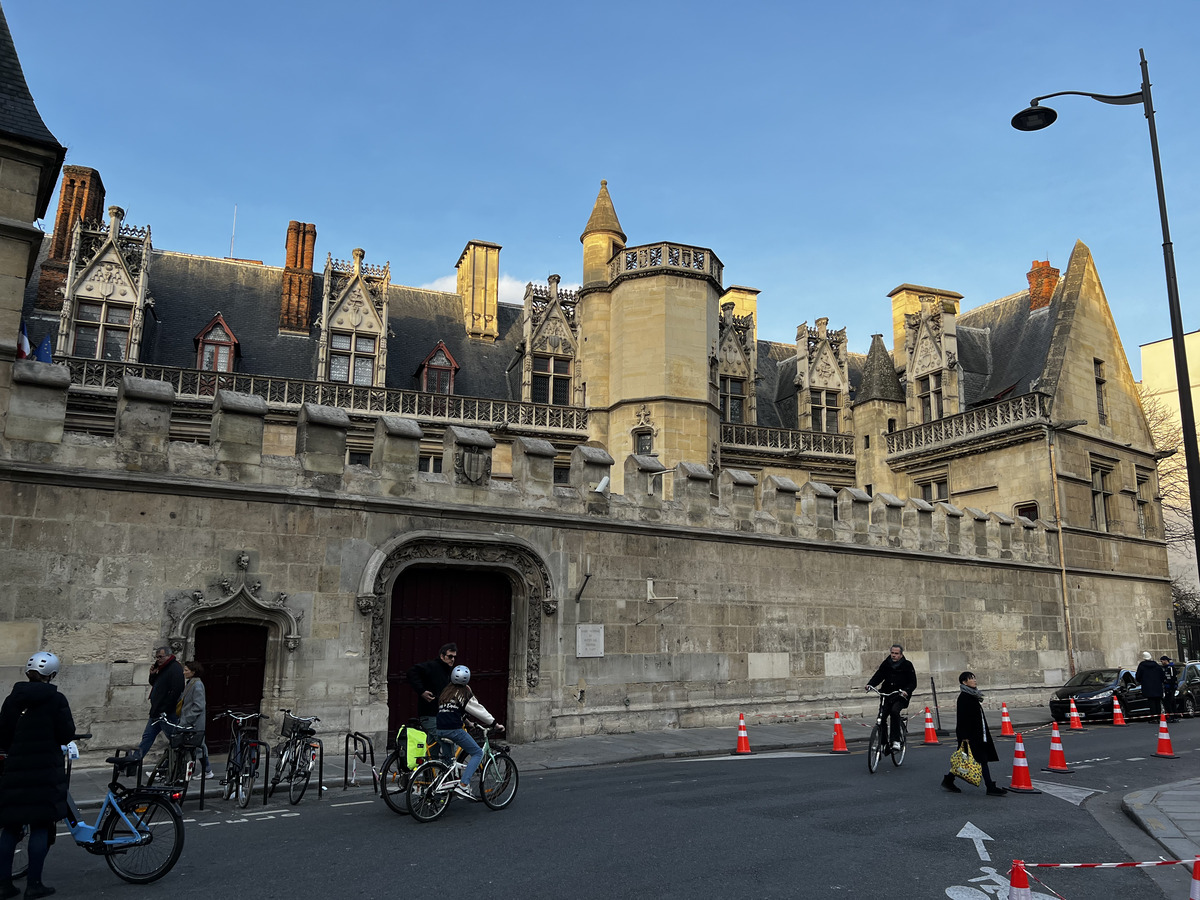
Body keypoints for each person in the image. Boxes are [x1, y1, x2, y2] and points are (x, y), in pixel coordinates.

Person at [0, 651, 76, 900]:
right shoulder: (57, 700)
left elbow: (3, 735)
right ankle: (34, 884)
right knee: (40, 826)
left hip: (15, 771)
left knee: (10, 828)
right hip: (45, 771)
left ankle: (4, 884)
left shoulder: (13, 699)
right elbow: (66, 734)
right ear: (52, 675)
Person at [435, 665, 502, 800]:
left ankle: (441, 793)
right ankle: (464, 784)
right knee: (477, 753)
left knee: (448, 763)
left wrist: (468, 723)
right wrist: (495, 724)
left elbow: (453, 710)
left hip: (440, 730)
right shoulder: (464, 693)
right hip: (454, 730)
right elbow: (479, 710)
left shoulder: (446, 692)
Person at [942, 671, 1006, 796]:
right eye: (971, 679)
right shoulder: (964, 697)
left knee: (970, 759)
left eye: (974, 678)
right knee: (979, 759)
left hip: (977, 733)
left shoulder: (972, 696)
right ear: (964, 682)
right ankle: (990, 787)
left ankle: (949, 780)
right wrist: (964, 737)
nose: (974, 680)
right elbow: (962, 719)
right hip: (970, 736)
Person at [866, 644, 917, 753]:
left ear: (901, 654)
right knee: (881, 717)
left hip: (900, 696)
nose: (893, 655)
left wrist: (906, 691)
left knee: (894, 712)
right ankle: (884, 743)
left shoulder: (907, 665)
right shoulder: (886, 663)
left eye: (896, 654)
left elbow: (913, 682)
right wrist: (870, 685)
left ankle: (896, 741)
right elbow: (879, 675)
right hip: (887, 694)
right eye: (892, 653)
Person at [136, 645, 184, 759]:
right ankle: (134, 761)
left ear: (168, 655)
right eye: (157, 657)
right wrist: (152, 675)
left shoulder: (174, 668)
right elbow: (156, 685)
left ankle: (178, 762)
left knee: (175, 739)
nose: (158, 659)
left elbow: (177, 690)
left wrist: (165, 708)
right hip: (156, 711)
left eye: (160, 657)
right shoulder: (163, 668)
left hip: (166, 713)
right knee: (147, 737)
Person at [408, 643, 457, 740]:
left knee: (433, 748)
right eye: (450, 656)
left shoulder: (448, 671)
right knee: (448, 740)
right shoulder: (432, 666)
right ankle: (449, 756)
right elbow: (411, 672)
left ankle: (432, 756)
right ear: (442, 656)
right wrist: (422, 691)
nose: (452, 659)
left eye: (454, 657)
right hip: (430, 714)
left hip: (441, 715)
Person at [178, 661, 214, 779]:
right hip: (189, 721)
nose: (184, 672)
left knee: (199, 746)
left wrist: (188, 718)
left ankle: (207, 770)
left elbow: (199, 705)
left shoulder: (197, 685)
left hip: (194, 722)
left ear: (193, 672)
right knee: (194, 747)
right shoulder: (191, 683)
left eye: (186, 670)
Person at [1135, 650, 1164, 723]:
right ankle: (1158, 717)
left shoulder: (1142, 665)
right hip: (1157, 686)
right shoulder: (1157, 665)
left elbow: (1138, 676)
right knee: (1157, 702)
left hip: (1148, 687)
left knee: (1151, 702)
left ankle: (1154, 717)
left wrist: (1142, 681)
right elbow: (1162, 676)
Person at [1160, 656, 1179, 723]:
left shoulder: (1170, 668)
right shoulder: (1164, 668)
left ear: (1165, 660)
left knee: (1169, 702)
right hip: (1167, 687)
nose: (1161, 662)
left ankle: (1173, 716)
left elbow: (1173, 678)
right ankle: (1173, 716)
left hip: (1170, 687)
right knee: (1170, 701)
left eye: (1162, 661)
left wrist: (1172, 687)